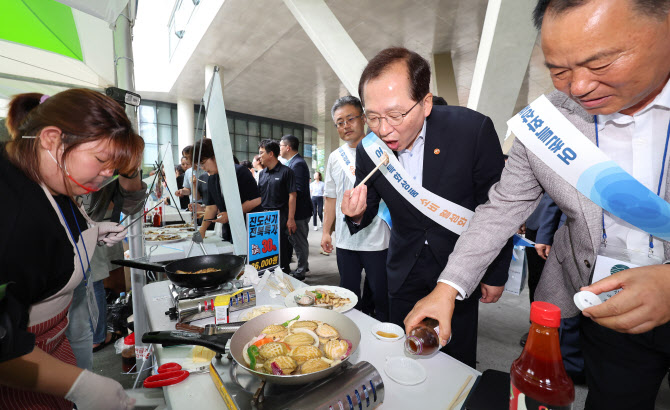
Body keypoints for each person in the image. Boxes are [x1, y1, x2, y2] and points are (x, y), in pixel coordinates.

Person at [405, 0, 670, 407]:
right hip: (606, 305)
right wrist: (448, 286)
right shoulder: (548, 123)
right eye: (559, 70)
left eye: (599, 64)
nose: (577, 87)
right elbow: (502, 208)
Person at [341, 47, 512, 367]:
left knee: (455, 363)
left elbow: (497, 208)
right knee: (401, 358)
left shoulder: (471, 130)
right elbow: (370, 203)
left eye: (395, 115)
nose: (383, 129)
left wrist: (496, 272)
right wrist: (356, 212)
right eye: (373, 116)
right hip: (403, 269)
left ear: (426, 102)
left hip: (460, 267)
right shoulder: (369, 149)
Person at [0, 89, 143, 409]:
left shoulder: (48, 174)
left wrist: (92, 232)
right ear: (51, 138)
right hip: (22, 370)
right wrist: (80, 386)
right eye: (102, 161)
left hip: (53, 345)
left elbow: (57, 228)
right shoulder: (12, 215)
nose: (108, 175)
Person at [65, 171, 145, 372]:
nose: (107, 172)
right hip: (81, 235)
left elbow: (132, 203)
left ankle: (96, 336)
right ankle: (99, 336)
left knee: (93, 283)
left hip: (89, 230)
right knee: (94, 282)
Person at [323, 95, 391, 321]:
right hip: (345, 241)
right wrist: (326, 231)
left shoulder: (382, 151)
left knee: (381, 297)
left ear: (363, 119)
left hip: (377, 240)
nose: (345, 126)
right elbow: (330, 198)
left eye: (350, 119)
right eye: (339, 122)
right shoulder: (334, 157)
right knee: (348, 297)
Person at [193, 138, 263, 240]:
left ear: (215, 156)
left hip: (249, 227)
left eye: (203, 163)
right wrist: (202, 230)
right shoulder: (212, 178)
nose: (202, 167)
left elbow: (256, 200)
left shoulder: (240, 172)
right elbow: (211, 207)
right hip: (229, 229)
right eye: (199, 165)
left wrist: (231, 215)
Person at [257, 140, 297, 275]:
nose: (259, 156)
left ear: (271, 154)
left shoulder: (287, 172)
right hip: (264, 218)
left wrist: (291, 219)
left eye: (261, 153)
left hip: (281, 217)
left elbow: (292, 196)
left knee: (282, 250)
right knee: (266, 252)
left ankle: (285, 276)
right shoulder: (262, 174)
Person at [280, 135, 313, 280]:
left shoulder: (297, 164)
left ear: (288, 147)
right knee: (298, 241)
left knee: (299, 242)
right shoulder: (292, 163)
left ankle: (301, 270)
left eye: (280, 145)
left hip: (299, 211)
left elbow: (298, 190)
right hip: (297, 210)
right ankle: (303, 264)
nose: (279, 148)